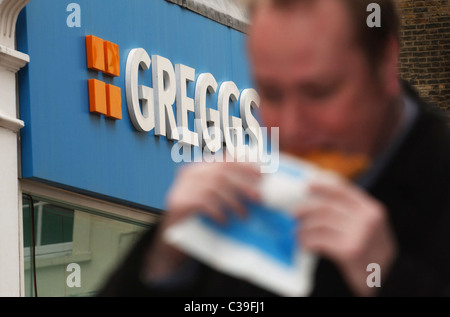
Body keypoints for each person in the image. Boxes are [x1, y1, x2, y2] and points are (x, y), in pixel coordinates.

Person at [98, 0, 450, 297]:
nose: (291, 128)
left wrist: (388, 279)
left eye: (319, 92)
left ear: (386, 64)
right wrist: (163, 258)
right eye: (272, 93)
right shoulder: (243, 198)